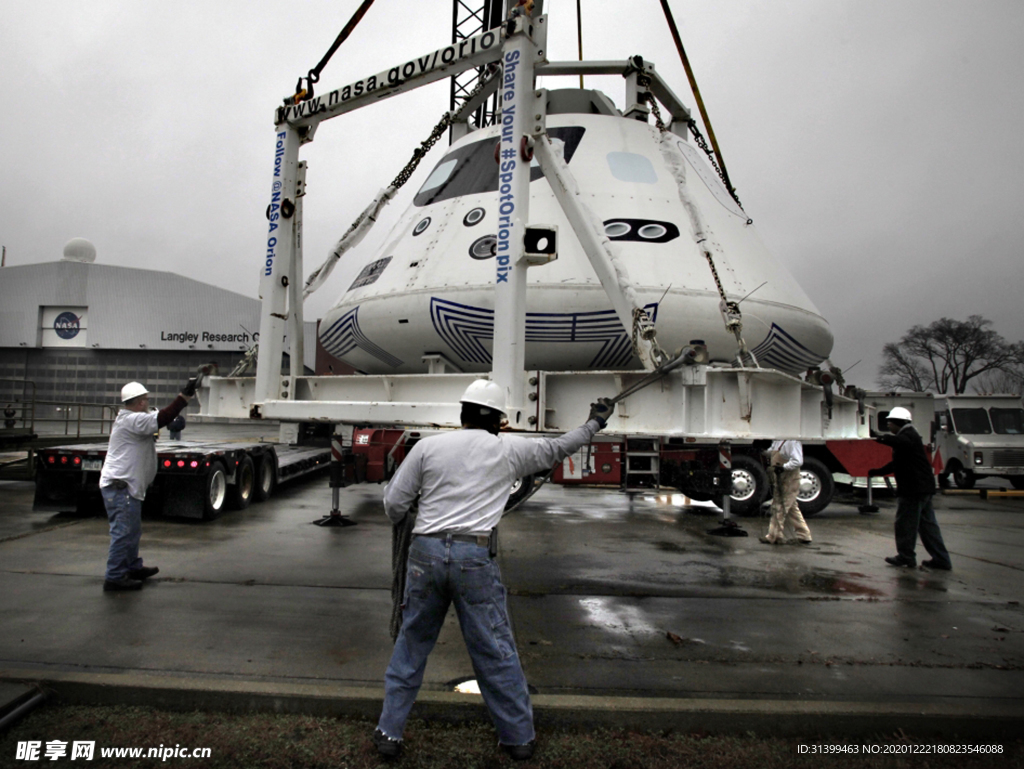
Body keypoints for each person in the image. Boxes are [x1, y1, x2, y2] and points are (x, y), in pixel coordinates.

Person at [373, 380, 615, 761]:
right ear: (499, 420)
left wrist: (416, 517)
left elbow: (393, 504)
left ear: (463, 413)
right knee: (495, 649)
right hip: (474, 556)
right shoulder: (511, 451)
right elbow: (559, 447)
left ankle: (389, 733)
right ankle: (518, 738)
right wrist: (594, 424)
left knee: (412, 642)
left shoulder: (427, 447)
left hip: (425, 555)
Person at [99, 379, 195, 592]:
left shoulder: (132, 419)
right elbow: (163, 417)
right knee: (122, 532)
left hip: (126, 487)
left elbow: (159, 418)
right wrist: (184, 398)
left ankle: (132, 567)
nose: (148, 403)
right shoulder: (132, 420)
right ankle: (114, 577)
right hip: (120, 487)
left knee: (132, 531)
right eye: (146, 400)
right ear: (140, 402)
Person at [869, 406, 951, 570]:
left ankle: (906, 557)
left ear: (897, 422)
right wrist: (878, 472)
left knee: (905, 524)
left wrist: (878, 438)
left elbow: (899, 442)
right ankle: (941, 559)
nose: (888, 426)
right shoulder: (908, 437)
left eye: (889, 423)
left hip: (913, 490)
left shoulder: (908, 436)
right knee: (928, 527)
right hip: (923, 489)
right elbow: (897, 463)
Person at [760, 439, 812, 545]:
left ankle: (773, 536)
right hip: (781, 479)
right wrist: (762, 450)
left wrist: (784, 467)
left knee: (779, 507)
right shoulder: (778, 440)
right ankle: (804, 535)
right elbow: (773, 452)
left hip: (790, 479)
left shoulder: (792, 442)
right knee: (792, 508)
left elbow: (798, 461)